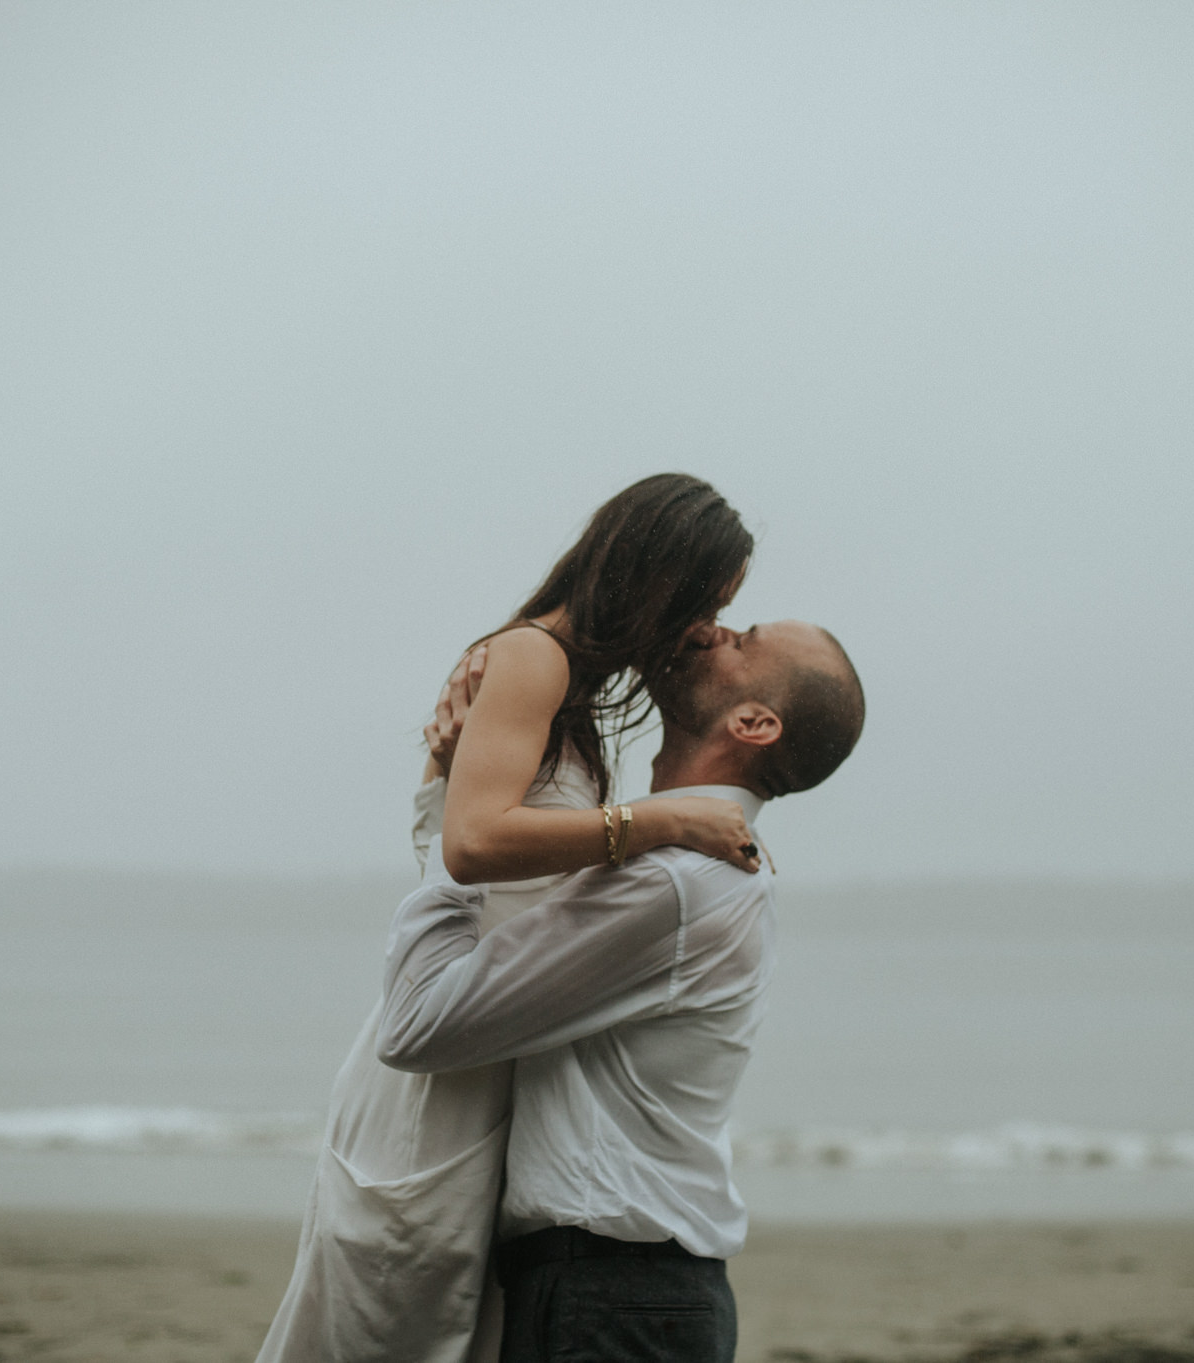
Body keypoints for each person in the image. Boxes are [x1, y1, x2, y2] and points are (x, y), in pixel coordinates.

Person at [256, 474, 763, 1363]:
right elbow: (473, 844)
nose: (704, 632)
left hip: (482, 1065)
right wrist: (662, 822)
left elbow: (468, 849)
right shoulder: (535, 658)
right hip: (435, 1088)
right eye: (707, 605)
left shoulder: (565, 690)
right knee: (386, 1326)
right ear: (656, 575)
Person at [378, 619, 865, 1363]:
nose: (710, 631)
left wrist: (452, 827)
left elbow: (418, 1025)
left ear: (755, 722)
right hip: (630, 1289)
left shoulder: (678, 884)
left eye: (743, 640)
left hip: (611, 1295)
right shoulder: (692, 869)